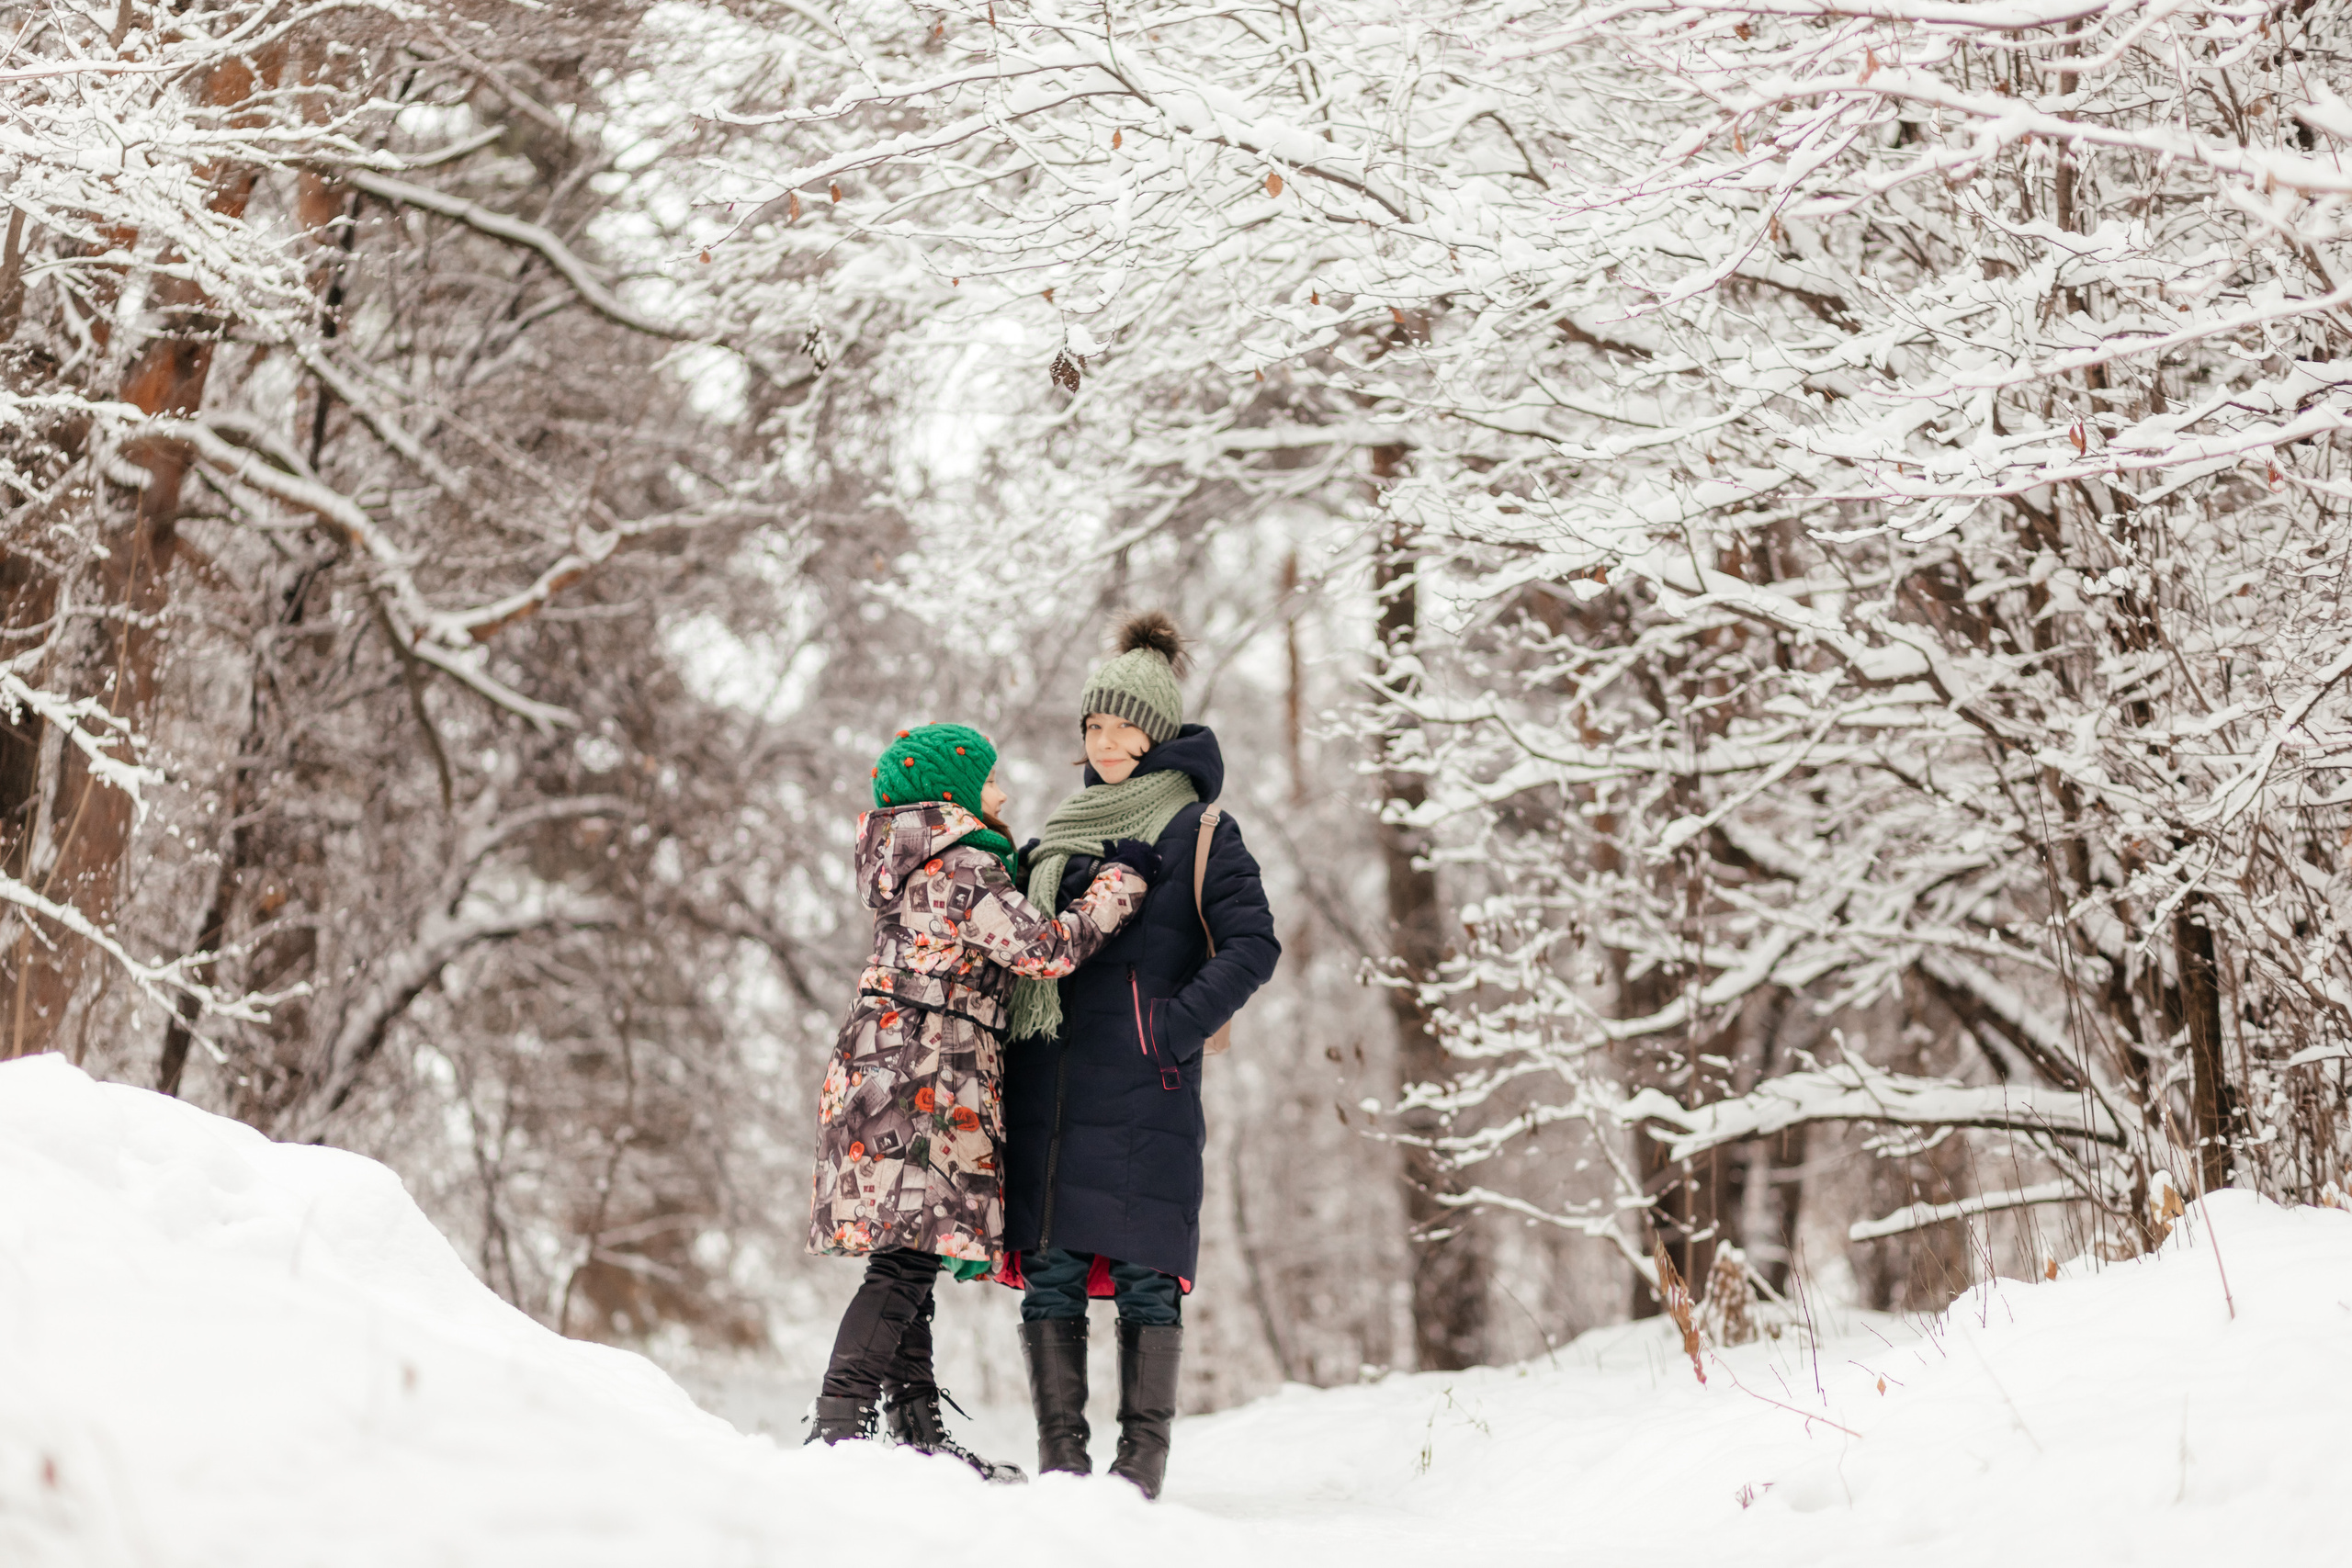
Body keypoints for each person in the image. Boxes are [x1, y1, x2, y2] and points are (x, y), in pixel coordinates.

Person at [804, 722, 1153, 1480]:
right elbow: (1049, 949)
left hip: (886, 1067)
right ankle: (839, 1428)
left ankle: (916, 1437)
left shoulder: (917, 859)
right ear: (955, 791)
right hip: (924, 1077)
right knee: (902, 1265)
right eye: (989, 779)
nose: (1003, 791)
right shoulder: (960, 864)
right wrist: (1118, 886)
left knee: (912, 1258)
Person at [1001, 613, 1281, 1500]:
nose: (1107, 742)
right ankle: (1063, 1473)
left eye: (1125, 725)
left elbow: (1254, 943)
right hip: (1050, 1090)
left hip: (1145, 1089)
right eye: (1094, 725)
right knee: (1050, 1272)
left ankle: (1137, 1479)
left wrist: (1172, 1025)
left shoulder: (1198, 831)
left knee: (1145, 1275)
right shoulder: (1056, 834)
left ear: (1158, 732)